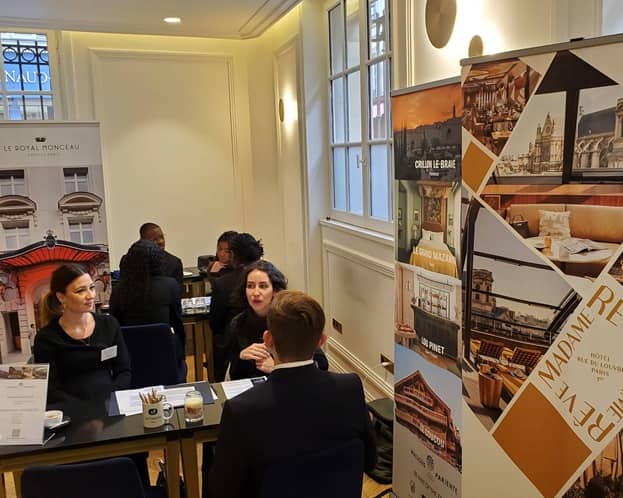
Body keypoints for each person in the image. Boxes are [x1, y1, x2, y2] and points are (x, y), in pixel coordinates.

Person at [207, 291, 376, 498]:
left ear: (268, 339)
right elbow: (370, 461)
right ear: (321, 341)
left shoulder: (241, 410)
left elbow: (221, 491)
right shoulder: (351, 388)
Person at [33, 264, 131, 403]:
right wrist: (84, 408)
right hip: (70, 410)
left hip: (110, 405)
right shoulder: (46, 338)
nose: (90, 295)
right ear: (61, 297)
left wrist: (110, 399)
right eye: (80, 291)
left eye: (91, 288)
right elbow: (50, 389)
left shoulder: (109, 324)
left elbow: (124, 372)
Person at [228, 260, 328, 380]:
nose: (255, 292)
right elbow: (234, 374)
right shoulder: (238, 323)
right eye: (250, 286)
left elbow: (322, 364)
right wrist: (241, 357)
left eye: (263, 286)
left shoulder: (290, 319)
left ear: (275, 291)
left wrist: (279, 368)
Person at [109, 240, 186, 379]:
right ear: (158, 262)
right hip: (165, 358)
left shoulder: (119, 290)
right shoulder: (170, 285)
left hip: (131, 360)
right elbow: (177, 323)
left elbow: (115, 326)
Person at [209, 232, 264, 381]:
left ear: (233, 255)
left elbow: (215, 322)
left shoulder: (223, 283)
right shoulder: (270, 277)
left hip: (231, 347)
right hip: (265, 346)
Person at [120, 222, 183, 289]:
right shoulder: (128, 261)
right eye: (155, 239)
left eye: (162, 237)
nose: (161, 241)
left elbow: (177, 292)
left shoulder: (174, 262)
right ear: (143, 241)